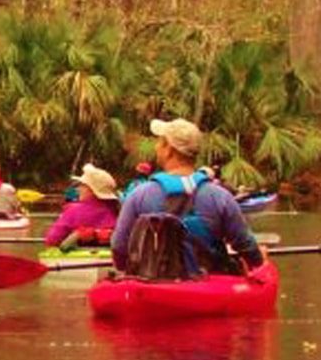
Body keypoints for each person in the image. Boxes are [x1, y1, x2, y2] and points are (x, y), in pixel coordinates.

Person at [111, 119, 266, 279]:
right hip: (208, 292)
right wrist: (259, 262)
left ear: (169, 150)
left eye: (160, 142)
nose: (157, 147)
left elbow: (119, 248)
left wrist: (129, 267)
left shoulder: (139, 195)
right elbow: (246, 246)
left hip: (154, 289)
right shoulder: (221, 197)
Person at [44, 164, 120, 247]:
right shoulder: (117, 210)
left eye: (82, 185)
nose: (78, 189)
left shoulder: (73, 211)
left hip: (77, 259)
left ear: (91, 190)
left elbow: (51, 240)